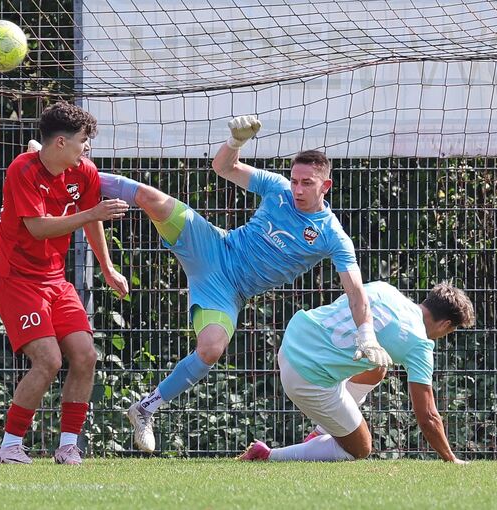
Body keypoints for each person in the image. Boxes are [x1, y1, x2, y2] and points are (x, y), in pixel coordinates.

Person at [30, 115, 392, 454]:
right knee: (150, 198)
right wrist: (235, 142)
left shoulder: (332, 236)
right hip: (212, 245)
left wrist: (366, 334)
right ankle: (63, 167)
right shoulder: (277, 188)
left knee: (211, 349)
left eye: (307, 183)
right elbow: (223, 167)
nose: (297, 189)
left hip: (227, 290)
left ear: (325, 185)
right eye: (295, 180)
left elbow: (356, 290)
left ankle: (144, 408)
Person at [0, 101, 130, 465]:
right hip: (16, 280)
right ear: (60, 144)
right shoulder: (23, 169)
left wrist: (108, 268)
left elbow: (90, 222)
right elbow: (37, 228)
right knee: (48, 360)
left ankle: (68, 446)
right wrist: (93, 212)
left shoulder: (84, 172)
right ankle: (9, 446)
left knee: (85, 355)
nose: (88, 147)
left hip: (55, 280)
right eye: (84, 140)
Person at [238, 281, 475, 463]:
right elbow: (428, 416)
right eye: (449, 331)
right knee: (361, 448)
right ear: (446, 325)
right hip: (306, 376)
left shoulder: (386, 289)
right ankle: (267, 454)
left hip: (293, 339)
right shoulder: (420, 344)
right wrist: (450, 458)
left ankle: (320, 433)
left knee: (378, 367)